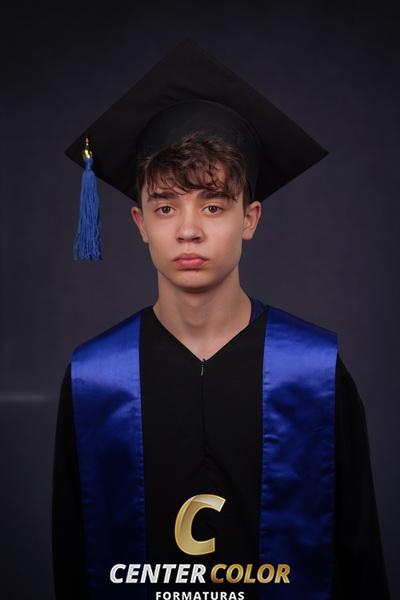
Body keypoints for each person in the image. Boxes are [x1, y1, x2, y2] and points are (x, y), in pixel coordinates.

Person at [52, 39, 391, 600]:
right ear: (140, 223)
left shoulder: (314, 375)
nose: (189, 230)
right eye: (165, 207)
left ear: (250, 218)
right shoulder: (96, 381)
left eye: (213, 205)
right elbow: (73, 566)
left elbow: (361, 565)